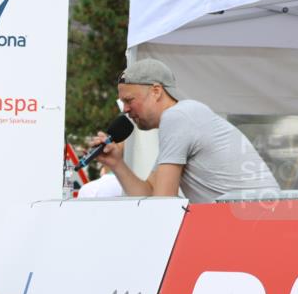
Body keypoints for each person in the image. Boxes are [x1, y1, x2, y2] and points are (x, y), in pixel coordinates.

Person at [95, 59, 280, 203]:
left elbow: (162, 203)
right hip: (259, 220)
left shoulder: (177, 117)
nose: (125, 110)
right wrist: (116, 163)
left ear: (156, 91)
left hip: (256, 223)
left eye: (129, 100)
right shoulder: (182, 119)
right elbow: (151, 193)